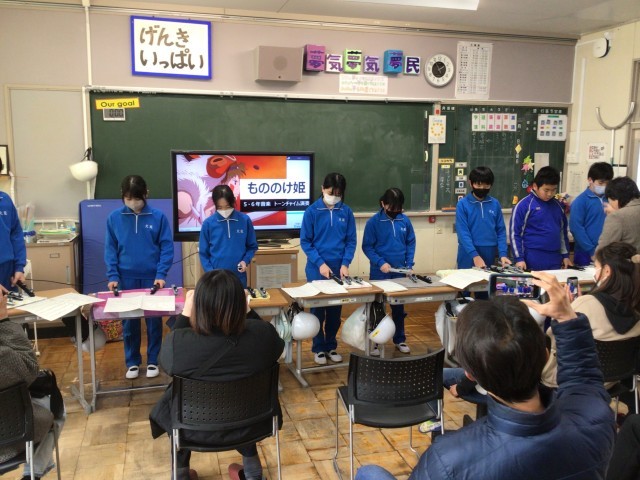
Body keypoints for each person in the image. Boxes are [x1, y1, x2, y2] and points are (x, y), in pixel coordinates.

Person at [356, 270, 615, 480]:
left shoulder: (448, 460)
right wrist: (567, 316)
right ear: (545, 355)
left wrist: (566, 318)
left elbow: (583, 379)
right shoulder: (595, 419)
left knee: (368, 473)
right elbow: (583, 378)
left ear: (471, 375)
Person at [149, 269, 284, 480]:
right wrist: (248, 310)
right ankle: (252, 472)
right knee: (241, 396)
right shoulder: (263, 336)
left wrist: (185, 313)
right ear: (240, 303)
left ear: (198, 305)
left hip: (192, 429)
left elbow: (166, 361)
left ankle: (181, 473)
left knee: (175, 399)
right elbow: (273, 341)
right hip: (252, 424)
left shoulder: (180, 344)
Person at [542, 242, 640, 389]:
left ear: (607, 271)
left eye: (596, 266)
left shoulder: (586, 304)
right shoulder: (635, 307)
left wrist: (565, 311)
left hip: (571, 381)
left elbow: (554, 338)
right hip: (614, 381)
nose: (594, 272)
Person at [105, 175, 174, 380]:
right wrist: (113, 275)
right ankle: (132, 361)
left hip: (152, 278)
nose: (133, 202)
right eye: (128, 198)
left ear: (146, 194)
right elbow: (110, 249)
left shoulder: (158, 217)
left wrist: (161, 274)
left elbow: (166, 248)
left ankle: (153, 360)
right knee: (129, 323)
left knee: (154, 323)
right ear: (122, 196)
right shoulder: (114, 218)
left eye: (137, 198)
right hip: (125, 278)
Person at [0, 293, 65, 480]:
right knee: (54, 405)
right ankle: (32, 474)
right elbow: (28, 369)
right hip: (9, 440)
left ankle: (33, 473)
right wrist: (3, 320)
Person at [300, 173, 357, 365]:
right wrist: (320, 263)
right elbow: (306, 242)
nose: (334, 197)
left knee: (334, 312)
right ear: (323, 189)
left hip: (338, 270)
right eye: (331, 193)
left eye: (338, 194)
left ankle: (331, 345)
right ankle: (318, 348)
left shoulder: (346, 212)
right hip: (317, 269)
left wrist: (345, 263)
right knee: (318, 311)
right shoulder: (312, 212)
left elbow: (351, 241)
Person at [362, 188, 416, 354]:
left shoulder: (404, 221)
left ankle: (399, 339)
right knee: (378, 308)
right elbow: (367, 247)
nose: (395, 211)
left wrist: (409, 264)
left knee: (398, 308)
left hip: (400, 272)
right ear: (383, 204)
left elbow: (410, 242)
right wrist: (380, 262)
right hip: (380, 272)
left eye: (398, 208)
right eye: (392, 208)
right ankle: (376, 342)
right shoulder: (373, 222)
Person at [510, 166, 572, 270]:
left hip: (554, 258)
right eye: (546, 190)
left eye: (553, 190)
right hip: (532, 257)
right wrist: (519, 259)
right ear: (535, 186)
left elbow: (562, 233)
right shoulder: (524, 205)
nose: (550, 194)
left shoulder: (558, 206)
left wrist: (565, 256)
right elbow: (515, 234)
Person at [199, 184, 258, 288]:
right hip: (216, 279)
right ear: (215, 205)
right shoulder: (208, 224)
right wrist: (211, 274)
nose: (224, 210)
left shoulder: (244, 220)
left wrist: (245, 261)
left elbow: (252, 247)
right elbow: (204, 254)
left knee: (238, 299)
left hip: (239, 278)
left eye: (227, 207)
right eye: (220, 207)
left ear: (232, 202)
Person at [456, 166, 511, 270]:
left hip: (490, 251)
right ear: (471, 183)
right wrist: (474, 255)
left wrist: (503, 254)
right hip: (468, 252)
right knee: (466, 279)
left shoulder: (495, 204)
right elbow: (463, 232)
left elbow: (501, 231)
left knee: (486, 280)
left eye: (486, 185)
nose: (482, 188)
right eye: (479, 185)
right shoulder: (462, 204)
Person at [569, 161, 614, 266]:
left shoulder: (611, 199)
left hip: (607, 252)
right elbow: (576, 228)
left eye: (607, 183)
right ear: (590, 180)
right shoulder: (580, 201)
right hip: (585, 253)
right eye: (601, 183)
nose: (604, 186)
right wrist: (591, 251)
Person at [597, 176, 640, 252]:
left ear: (615, 199)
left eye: (609, 201)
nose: (609, 204)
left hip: (628, 259)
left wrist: (616, 214)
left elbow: (602, 251)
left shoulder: (616, 217)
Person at [0, 189, 26, 291]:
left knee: (11, 301)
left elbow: (16, 234)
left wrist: (19, 267)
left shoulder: (5, 199)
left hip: (7, 269)